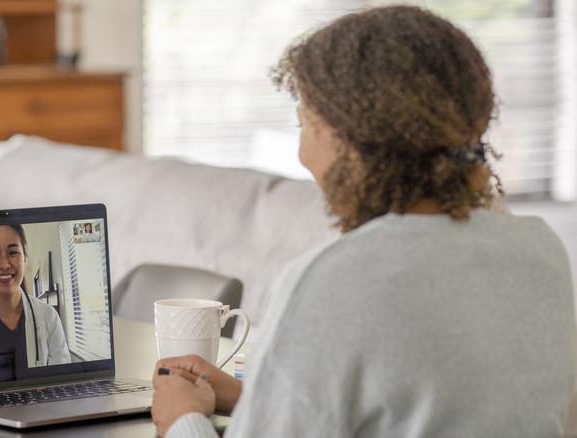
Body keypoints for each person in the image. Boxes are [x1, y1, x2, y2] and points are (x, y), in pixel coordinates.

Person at [151, 5, 577, 438]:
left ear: (348, 143)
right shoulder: (541, 254)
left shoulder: (334, 279)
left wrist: (183, 418)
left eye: (305, 124)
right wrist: (257, 394)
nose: (302, 155)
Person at [0, 222, 71, 375]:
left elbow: (61, 381)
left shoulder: (49, 318)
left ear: (25, 258)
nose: (4, 265)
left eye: (12, 252)